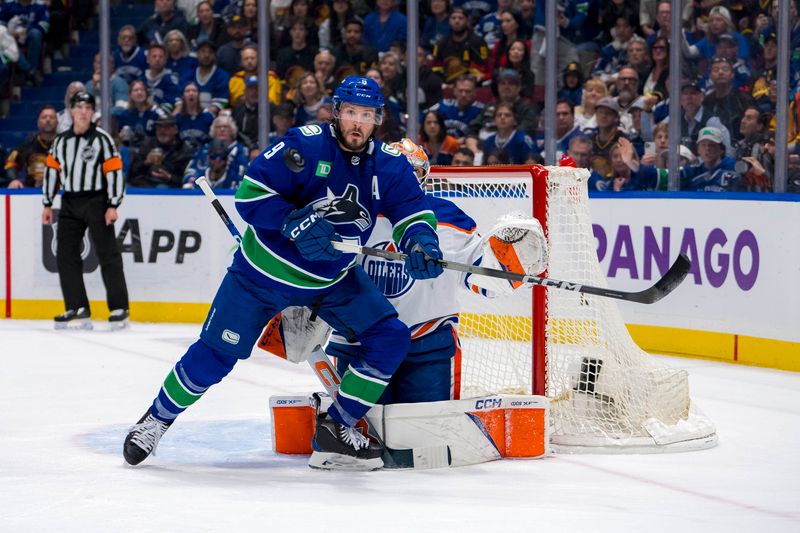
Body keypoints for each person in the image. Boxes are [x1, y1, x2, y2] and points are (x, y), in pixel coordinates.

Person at [123, 76, 444, 471]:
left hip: (332, 281)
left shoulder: (389, 166)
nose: (358, 123)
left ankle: (336, 426)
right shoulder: (305, 145)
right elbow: (250, 195)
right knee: (216, 356)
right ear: (336, 112)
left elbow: (412, 211)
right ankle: (156, 420)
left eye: (366, 115)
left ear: (377, 119)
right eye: (351, 114)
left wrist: (421, 242)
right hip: (261, 276)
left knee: (390, 338)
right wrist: (291, 221)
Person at [326, 137, 546, 405]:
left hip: (428, 346)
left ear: (423, 176)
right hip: (360, 342)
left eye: (411, 172)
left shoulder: (447, 217)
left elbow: (482, 276)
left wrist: (510, 259)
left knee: (429, 435)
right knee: (359, 434)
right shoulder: (346, 214)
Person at [41, 92, 130, 330]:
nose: (82, 111)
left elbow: (114, 172)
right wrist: (47, 203)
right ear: (71, 111)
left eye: (87, 107)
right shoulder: (61, 142)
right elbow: (52, 172)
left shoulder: (102, 139)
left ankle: (119, 308)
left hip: (97, 200)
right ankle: (77, 306)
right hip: (69, 201)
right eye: (78, 106)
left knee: (107, 253)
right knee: (66, 254)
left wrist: (113, 204)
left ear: (93, 112)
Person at [127, 116, 193, 188]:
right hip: (145, 182)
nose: (162, 131)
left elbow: (188, 178)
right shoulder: (147, 144)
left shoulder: (184, 150)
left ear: (175, 130)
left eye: (167, 128)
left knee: (162, 187)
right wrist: (146, 163)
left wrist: (169, 177)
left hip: (170, 187)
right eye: (159, 128)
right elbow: (132, 173)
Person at [4, 106, 58, 189]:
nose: (48, 120)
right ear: (38, 122)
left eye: (52, 117)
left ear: (57, 122)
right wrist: (13, 180)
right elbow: (10, 162)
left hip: (60, 192)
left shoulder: (65, 144)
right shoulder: (28, 143)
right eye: (44, 117)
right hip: (32, 192)